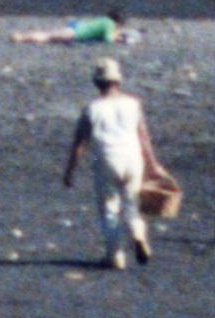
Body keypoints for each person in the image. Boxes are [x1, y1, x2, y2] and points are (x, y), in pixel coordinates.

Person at [62, 59, 160, 270]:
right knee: (132, 204)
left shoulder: (92, 108)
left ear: (97, 82)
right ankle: (137, 232)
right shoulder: (133, 104)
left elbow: (80, 143)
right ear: (118, 81)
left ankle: (115, 255)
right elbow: (143, 136)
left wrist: (70, 171)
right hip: (133, 159)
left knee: (109, 207)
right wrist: (152, 163)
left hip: (106, 159)